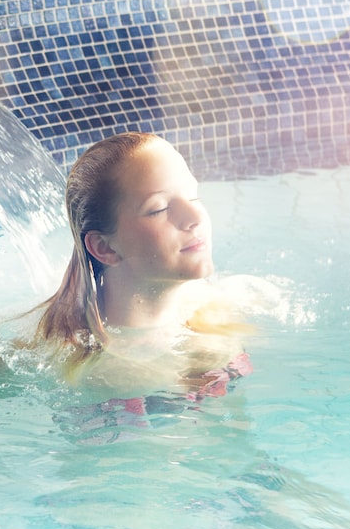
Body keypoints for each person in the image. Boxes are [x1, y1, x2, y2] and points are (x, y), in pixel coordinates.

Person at [32, 131, 258, 402]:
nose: (196, 217)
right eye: (159, 209)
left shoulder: (215, 310)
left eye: (193, 197)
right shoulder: (104, 376)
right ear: (105, 247)